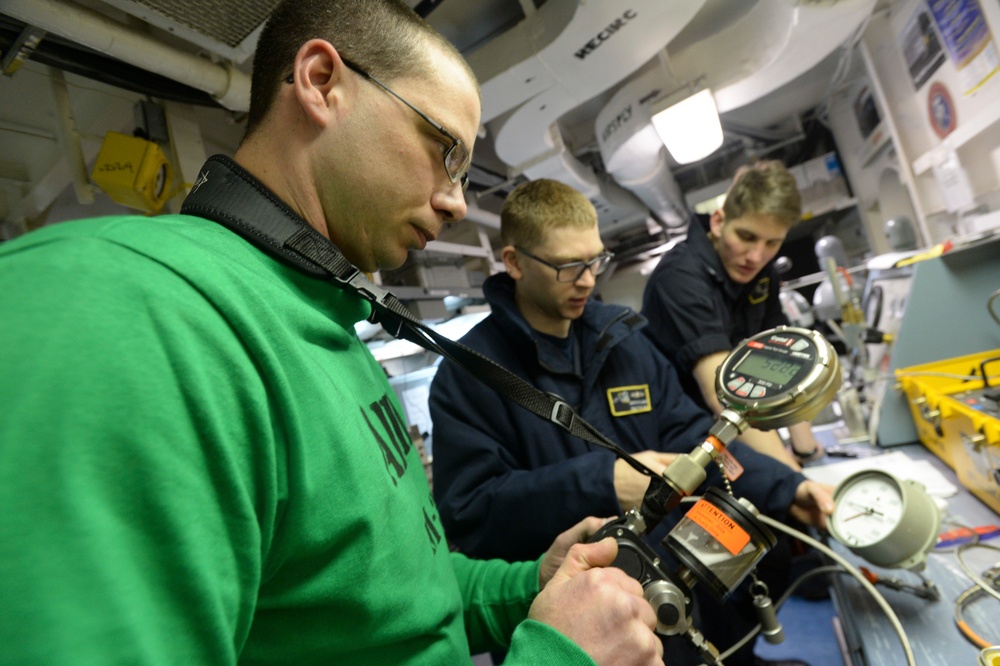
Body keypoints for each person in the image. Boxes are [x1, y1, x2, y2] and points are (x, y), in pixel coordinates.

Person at [0, 2, 665, 664]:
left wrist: (527, 588)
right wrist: (560, 657)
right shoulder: (123, 305)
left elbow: (388, 595)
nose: (459, 202)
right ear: (321, 82)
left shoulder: (329, 329)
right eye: (445, 151)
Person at [429, 178, 835, 666]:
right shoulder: (470, 376)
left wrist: (787, 488)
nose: (586, 279)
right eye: (567, 266)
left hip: (678, 606)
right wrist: (600, 483)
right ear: (514, 262)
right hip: (579, 633)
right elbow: (472, 514)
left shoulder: (623, 340)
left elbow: (696, 438)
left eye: (595, 260)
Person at [642, 161, 826, 470]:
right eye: (746, 236)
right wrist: (796, 481)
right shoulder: (680, 277)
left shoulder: (760, 272)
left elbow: (782, 360)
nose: (756, 256)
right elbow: (725, 397)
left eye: (772, 243)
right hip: (680, 438)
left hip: (733, 430)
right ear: (718, 221)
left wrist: (804, 450)